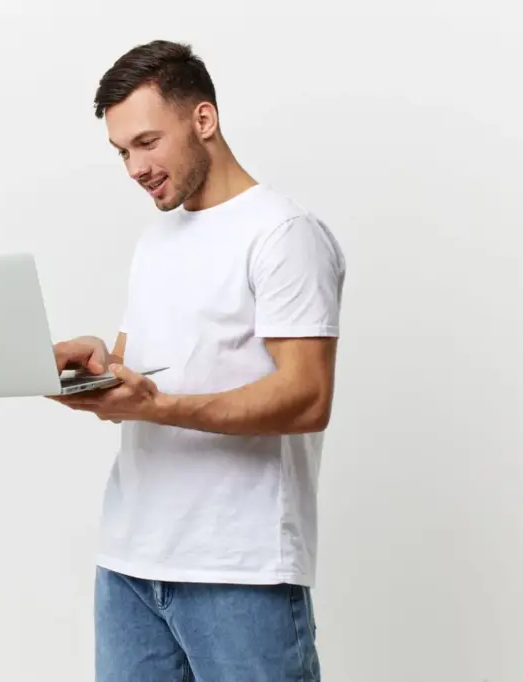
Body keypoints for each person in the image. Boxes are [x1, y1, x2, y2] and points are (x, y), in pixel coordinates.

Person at [51, 39, 346, 682]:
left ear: (203, 119)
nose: (135, 168)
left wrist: (159, 407)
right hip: (130, 562)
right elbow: (142, 377)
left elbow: (307, 397)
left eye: (147, 142)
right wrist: (99, 368)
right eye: (122, 152)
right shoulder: (157, 238)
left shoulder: (283, 233)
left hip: (239, 569)